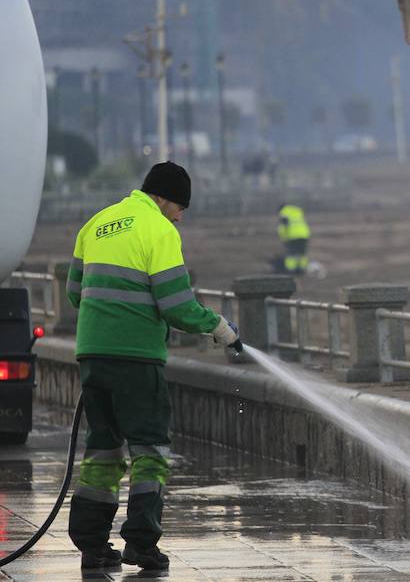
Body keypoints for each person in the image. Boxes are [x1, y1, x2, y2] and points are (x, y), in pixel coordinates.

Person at [65, 161, 241, 571]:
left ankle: (92, 547)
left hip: (92, 353)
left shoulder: (97, 223)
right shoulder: (159, 230)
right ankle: (141, 544)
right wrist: (218, 327)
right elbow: (177, 306)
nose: (180, 217)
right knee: (150, 451)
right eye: (180, 207)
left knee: (102, 449)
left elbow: (75, 293)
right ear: (164, 199)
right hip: (137, 358)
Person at [277, 203, 310, 275]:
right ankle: (301, 269)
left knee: (291, 254)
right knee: (302, 253)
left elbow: (282, 227)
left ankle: (290, 270)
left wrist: (283, 237)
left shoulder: (284, 213)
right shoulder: (297, 210)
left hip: (292, 235)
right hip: (304, 234)